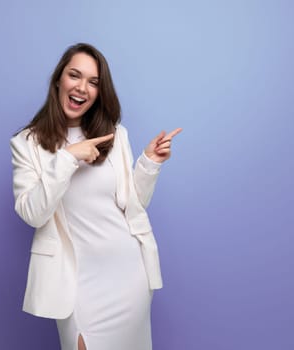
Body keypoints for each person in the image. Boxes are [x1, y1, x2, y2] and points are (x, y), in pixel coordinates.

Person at [10, 42, 181, 350]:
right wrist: (67, 158)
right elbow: (32, 213)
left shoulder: (116, 134)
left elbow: (133, 204)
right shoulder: (27, 143)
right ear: (58, 80)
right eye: (75, 76)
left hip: (129, 275)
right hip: (76, 282)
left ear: (100, 92)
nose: (82, 88)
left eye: (93, 82)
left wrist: (149, 162)